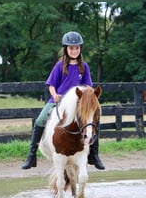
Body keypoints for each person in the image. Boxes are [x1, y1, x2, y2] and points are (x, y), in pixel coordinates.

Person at [21, 31, 105, 170]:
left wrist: (86, 97)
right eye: (71, 48)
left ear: (80, 49)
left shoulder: (84, 67)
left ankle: (94, 155)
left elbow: (88, 86)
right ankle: (31, 155)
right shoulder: (59, 66)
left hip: (77, 102)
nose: (74, 51)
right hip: (58, 101)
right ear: (66, 49)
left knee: (94, 120)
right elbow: (51, 85)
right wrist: (54, 95)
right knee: (40, 120)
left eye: (77, 48)